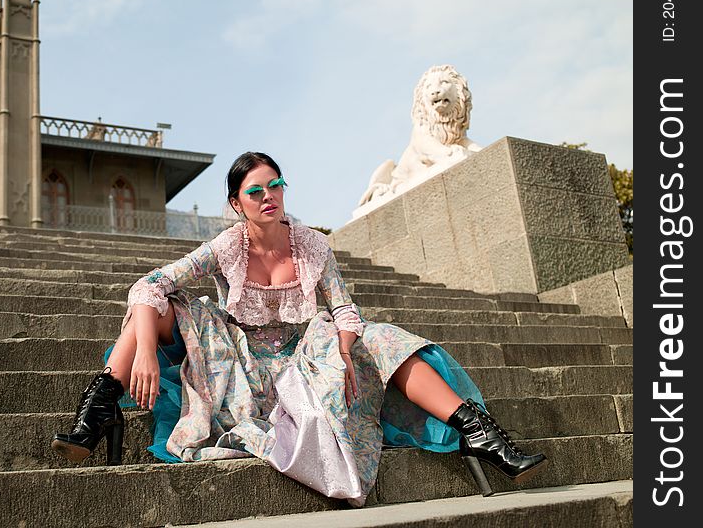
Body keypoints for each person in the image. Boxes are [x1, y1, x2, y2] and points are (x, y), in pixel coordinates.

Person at [51, 151, 547, 505]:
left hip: (305, 362)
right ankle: (96, 411)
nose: (269, 196)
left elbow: (346, 309)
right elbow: (150, 283)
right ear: (236, 204)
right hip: (238, 362)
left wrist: (348, 348)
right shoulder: (227, 246)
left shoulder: (313, 245)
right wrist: (143, 353)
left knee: (381, 335)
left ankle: (481, 434)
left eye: (275, 185)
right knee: (159, 305)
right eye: (255, 191)